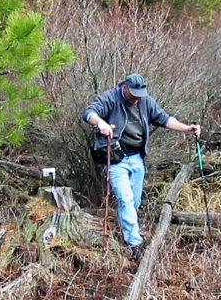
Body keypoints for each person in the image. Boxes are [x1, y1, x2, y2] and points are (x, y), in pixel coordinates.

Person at [83, 74, 201, 260]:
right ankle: (134, 244)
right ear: (125, 87)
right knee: (126, 199)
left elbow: (164, 119)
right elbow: (89, 112)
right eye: (134, 93)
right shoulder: (110, 98)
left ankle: (126, 230)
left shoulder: (145, 102)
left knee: (135, 201)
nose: (137, 97)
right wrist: (101, 123)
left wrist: (187, 129)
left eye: (140, 93)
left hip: (136, 158)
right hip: (115, 158)